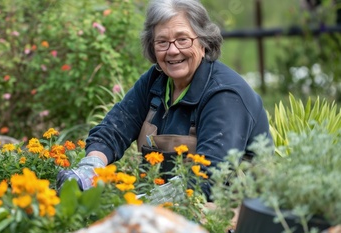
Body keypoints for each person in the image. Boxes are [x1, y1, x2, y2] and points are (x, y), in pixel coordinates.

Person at [56, 0, 272, 199]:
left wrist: (140, 203)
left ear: (204, 42)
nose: (172, 50)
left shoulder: (224, 95)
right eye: (162, 42)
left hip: (227, 213)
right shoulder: (156, 80)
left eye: (182, 39)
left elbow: (210, 176)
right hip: (165, 207)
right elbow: (113, 130)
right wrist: (89, 169)